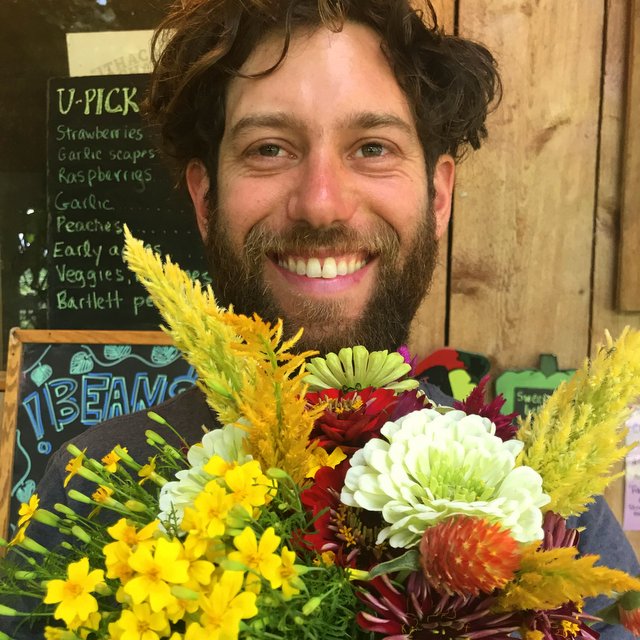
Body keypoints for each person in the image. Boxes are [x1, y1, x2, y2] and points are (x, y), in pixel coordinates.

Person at [2, 1, 638, 638]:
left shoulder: (545, 507)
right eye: (269, 148)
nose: (321, 204)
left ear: (438, 196)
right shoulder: (97, 483)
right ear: (205, 200)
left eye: (372, 147)